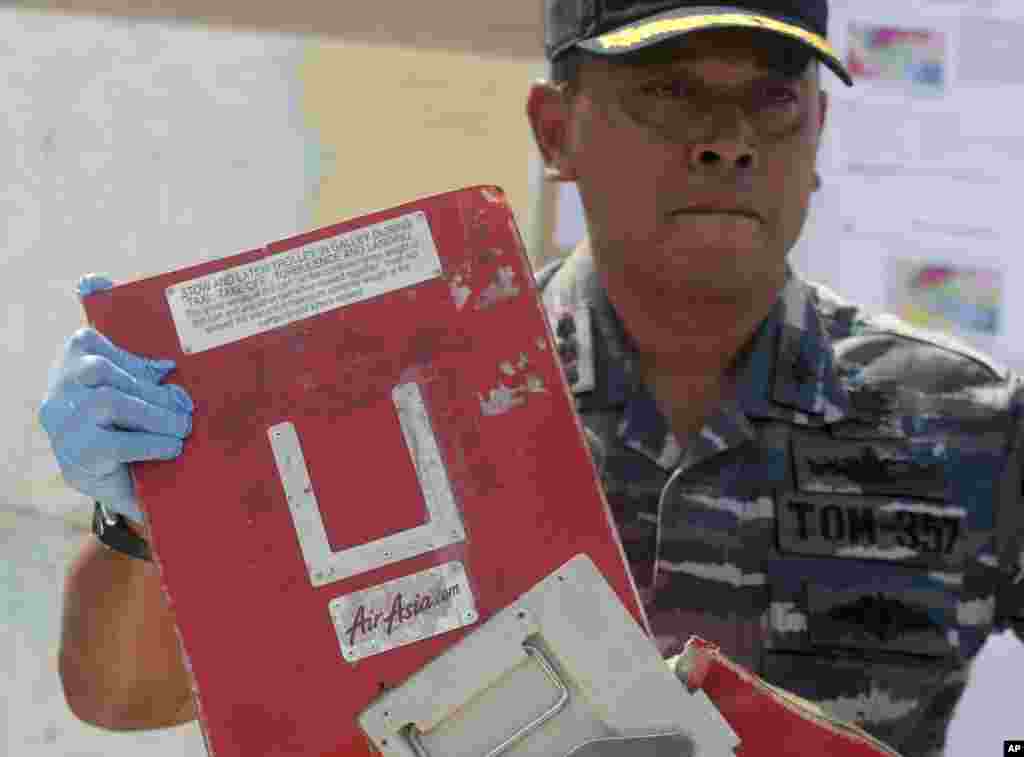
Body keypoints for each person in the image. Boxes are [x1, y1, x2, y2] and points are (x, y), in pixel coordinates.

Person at [39, 1, 1023, 754]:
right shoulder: (392, 393)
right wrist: (141, 517)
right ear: (554, 131)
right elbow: (123, 698)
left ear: (815, 137)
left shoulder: (968, 422)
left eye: (771, 97)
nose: (726, 139)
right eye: (669, 91)